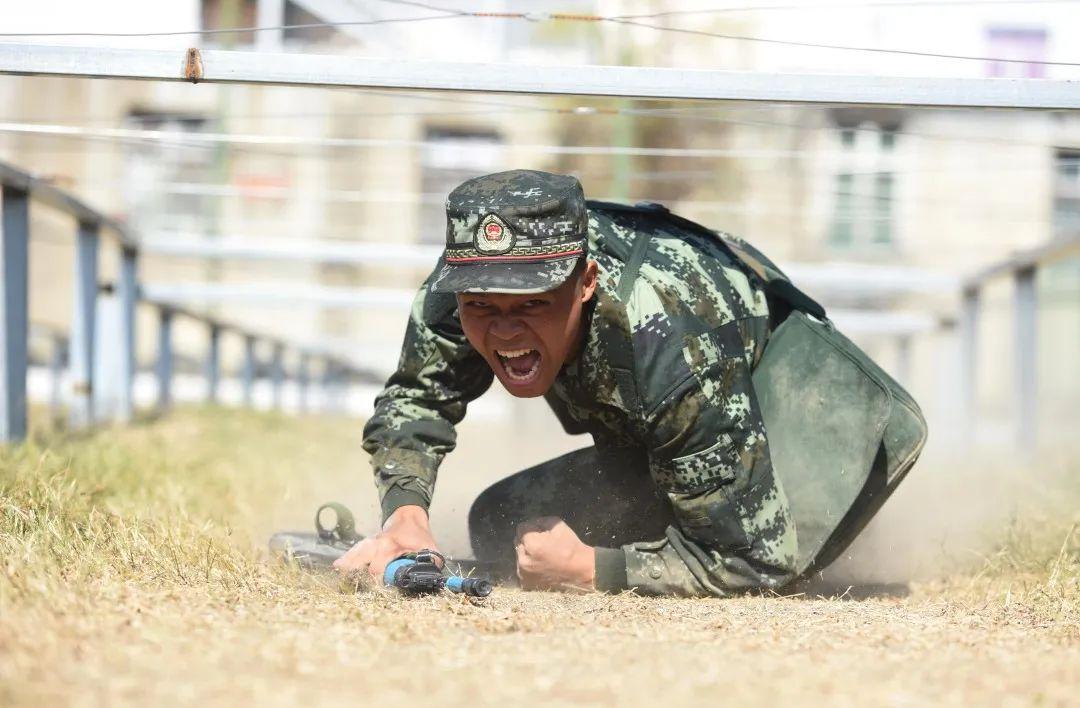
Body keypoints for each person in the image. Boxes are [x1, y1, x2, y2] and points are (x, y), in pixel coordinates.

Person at [333, 169, 798, 596]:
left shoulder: (672, 345)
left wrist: (594, 569)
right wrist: (405, 516)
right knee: (501, 525)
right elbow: (416, 399)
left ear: (586, 282)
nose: (506, 331)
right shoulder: (462, 281)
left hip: (778, 409)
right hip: (662, 427)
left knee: (725, 537)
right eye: (482, 307)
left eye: (532, 304)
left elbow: (758, 562)